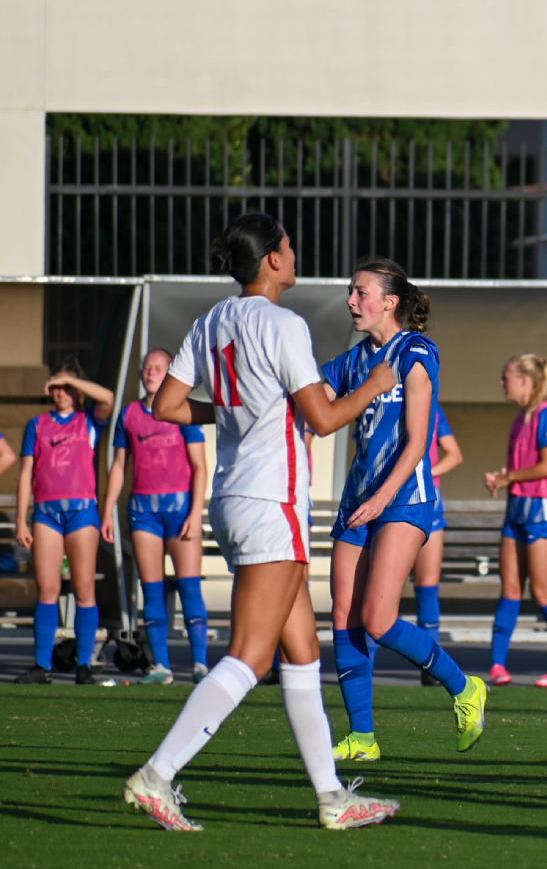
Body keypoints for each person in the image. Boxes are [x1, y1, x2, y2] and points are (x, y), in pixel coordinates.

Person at [123, 212, 400, 831]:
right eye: (290, 246)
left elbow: (167, 403)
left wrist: (232, 406)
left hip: (234, 496)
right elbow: (325, 418)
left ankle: (332, 798)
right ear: (272, 259)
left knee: (302, 652)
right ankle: (157, 774)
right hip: (273, 500)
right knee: (251, 656)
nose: (296, 254)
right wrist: (376, 384)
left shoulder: (212, 320)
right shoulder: (283, 323)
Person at [326, 258, 488, 763]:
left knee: (377, 618)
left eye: (361, 292)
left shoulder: (416, 352)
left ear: (390, 301)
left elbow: (419, 443)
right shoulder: (353, 360)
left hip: (403, 500)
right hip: (358, 501)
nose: (351, 300)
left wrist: (379, 499)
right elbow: (314, 407)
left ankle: (464, 687)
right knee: (344, 616)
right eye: (351, 292)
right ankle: (363, 737)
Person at [102, 349, 210, 686]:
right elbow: (119, 465)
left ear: (169, 373)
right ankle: (160, 666)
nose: (150, 372)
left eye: (158, 368)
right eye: (146, 367)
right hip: (142, 512)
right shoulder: (129, 415)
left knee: (189, 588)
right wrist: (108, 509)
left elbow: (199, 467)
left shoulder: (182, 411)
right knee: (151, 589)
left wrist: (196, 513)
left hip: (180, 511)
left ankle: (201, 665)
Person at [14, 361, 112, 685]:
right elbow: (27, 471)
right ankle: (42, 666)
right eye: (55, 386)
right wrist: (21, 519)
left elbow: (108, 398)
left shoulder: (88, 420)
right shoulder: (37, 424)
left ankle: (84, 665)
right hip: (46, 513)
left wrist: (72, 378)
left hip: (82, 512)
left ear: (77, 389)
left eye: (67, 386)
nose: (61, 392)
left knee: (84, 587)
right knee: (48, 588)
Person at [486, 354, 547, 688]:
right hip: (517, 509)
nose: (502, 382)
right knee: (509, 588)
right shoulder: (521, 418)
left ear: (526, 380)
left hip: (544, 512)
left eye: (506, 376)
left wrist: (509, 478)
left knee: (543, 590)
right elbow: (523, 469)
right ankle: (497, 666)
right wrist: (503, 479)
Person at [415, 401, 462, 686]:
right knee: (383, 592)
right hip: (393, 500)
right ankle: (364, 666)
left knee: (427, 586)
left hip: (430, 502)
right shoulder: (384, 400)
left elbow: (455, 455)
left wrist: (427, 474)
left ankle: (430, 666)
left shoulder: (433, 408)